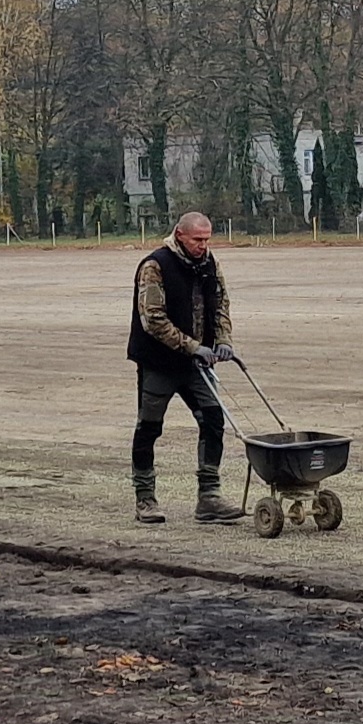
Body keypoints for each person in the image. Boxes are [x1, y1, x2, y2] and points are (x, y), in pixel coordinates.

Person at [126, 210, 244, 525]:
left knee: (213, 419)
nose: (203, 245)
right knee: (149, 428)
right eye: (197, 240)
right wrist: (193, 346)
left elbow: (221, 304)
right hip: (159, 363)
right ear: (180, 235)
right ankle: (145, 499)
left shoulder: (210, 264)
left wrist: (224, 340)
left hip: (197, 365)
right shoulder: (155, 266)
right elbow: (152, 319)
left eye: (207, 239)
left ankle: (209, 497)